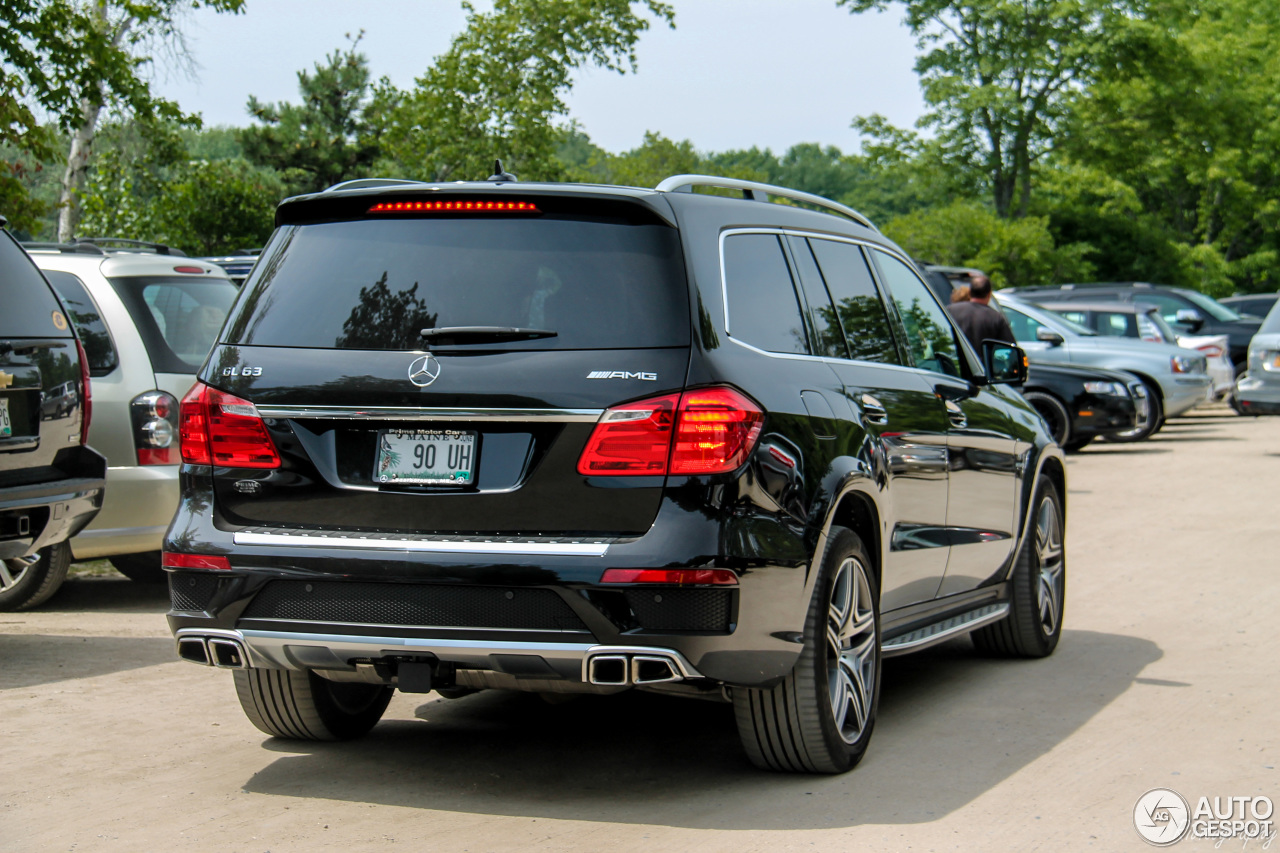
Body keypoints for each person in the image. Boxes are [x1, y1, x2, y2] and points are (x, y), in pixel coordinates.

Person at [946, 274, 1015, 350]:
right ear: (989, 294)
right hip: (982, 361)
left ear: (970, 292)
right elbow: (1009, 348)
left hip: (954, 360)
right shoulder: (996, 317)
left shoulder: (950, 310)